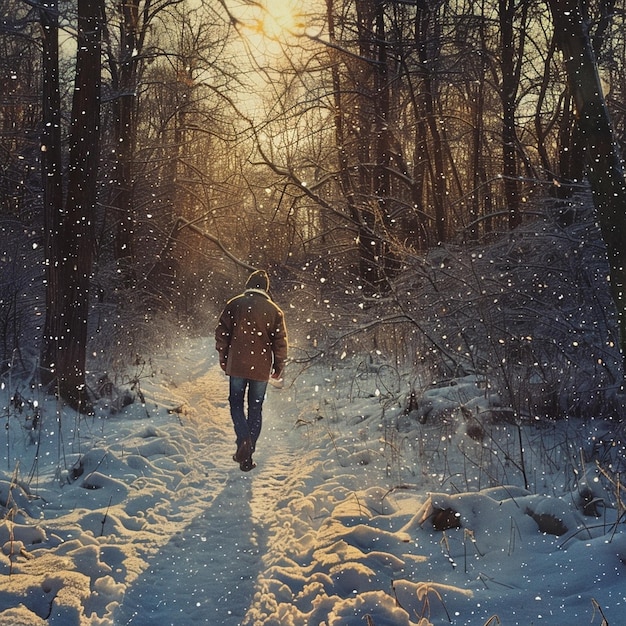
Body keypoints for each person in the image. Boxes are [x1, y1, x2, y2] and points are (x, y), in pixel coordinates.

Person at [215, 270, 288, 471]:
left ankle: (243, 439)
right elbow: (280, 342)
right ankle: (247, 454)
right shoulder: (274, 310)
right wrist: (278, 365)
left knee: (236, 404)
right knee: (255, 409)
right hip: (261, 368)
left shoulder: (234, 304)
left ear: (248, 284)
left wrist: (224, 357)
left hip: (237, 365)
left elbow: (221, 332)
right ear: (265, 288)